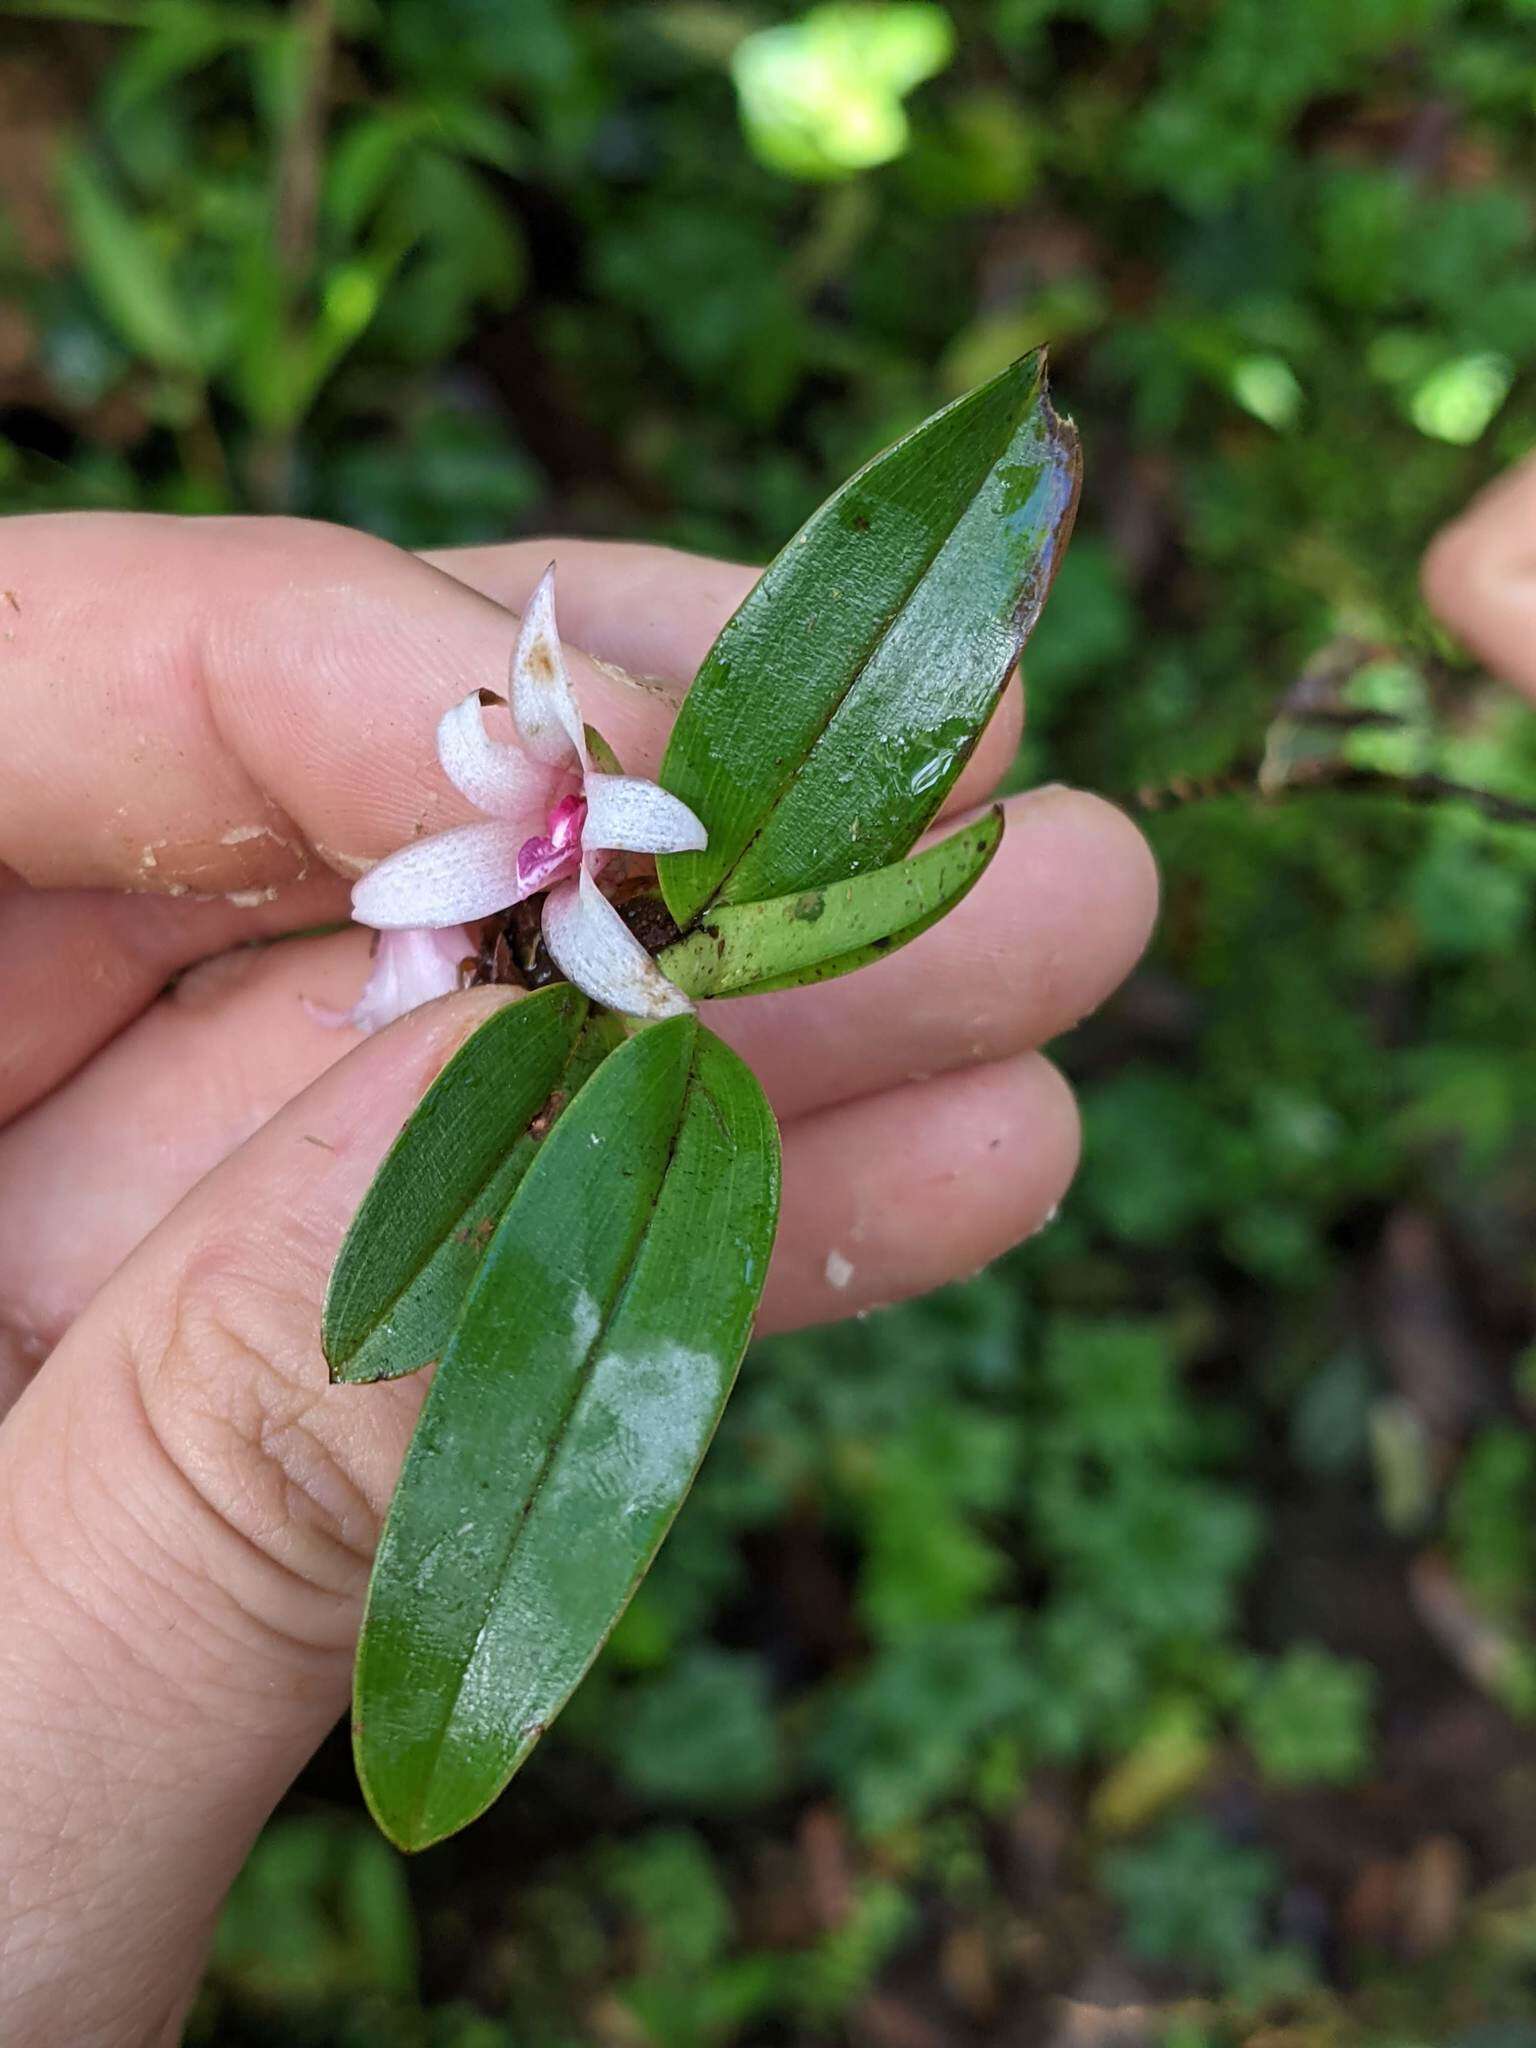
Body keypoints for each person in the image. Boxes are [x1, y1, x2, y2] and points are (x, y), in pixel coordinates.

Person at [0, 514, 1157, 2042]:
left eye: (570, 834)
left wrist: (585, 872)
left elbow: (587, 854)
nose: (554, 844)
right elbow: (512, 878)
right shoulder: (557, 877)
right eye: (555, 838)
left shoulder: (595, 856)